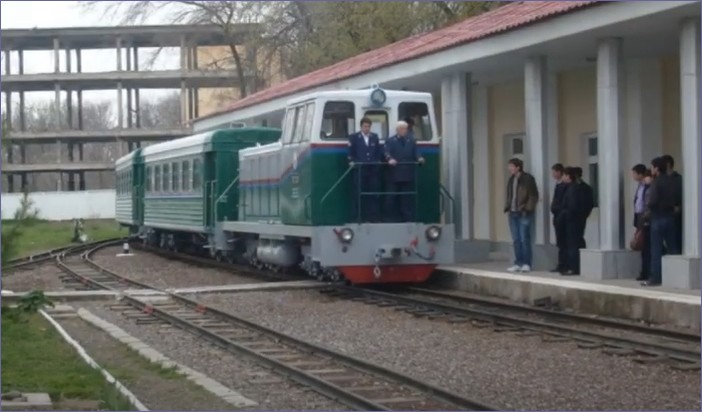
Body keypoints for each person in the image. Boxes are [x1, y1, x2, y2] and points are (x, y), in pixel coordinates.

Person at [644, 157, 678, 287]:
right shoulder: (672, 181)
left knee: (656, 249)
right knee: (673, 248)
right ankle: (675, 275)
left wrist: (648, 208)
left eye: (652, 167)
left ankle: (655, 277)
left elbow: (652, 201)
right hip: (670, 216)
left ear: (657, 169)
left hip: (657, 217)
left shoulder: (656, 182)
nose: (651, 170)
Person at [503, 158, 539, 273]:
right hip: (512, 213)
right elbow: (510, 195)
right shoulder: (511, 179)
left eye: (511, 166)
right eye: (509, 166)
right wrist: (508, 207)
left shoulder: (527, 179)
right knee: (516, 240)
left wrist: (527, 208)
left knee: (524, 238)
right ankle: (518, 263)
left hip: (523, 213)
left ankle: (527, 263)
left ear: (518, 167)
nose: (509, 169)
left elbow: (533, 196)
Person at [384, 121, 425, 222]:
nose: (404, 131)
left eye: (405, 129)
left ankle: (408, 218)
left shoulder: (411, 141)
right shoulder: (390, 141)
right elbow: (386, 152)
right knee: (391, 197)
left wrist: (420, 158)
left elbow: (416, 152)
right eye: (402, 129)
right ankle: (390, 218)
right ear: (397, 130)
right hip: (393, 174)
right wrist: (390, 159)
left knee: (406, 198)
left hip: (407, 174)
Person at [347, 117, 383, 222]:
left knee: (373, 192)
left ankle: (372, 216)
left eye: (368, 126)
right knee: (358, 192)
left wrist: (377, 162)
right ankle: (357, 216)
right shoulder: (354, 137)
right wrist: (352, 161)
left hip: (372, 169)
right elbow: (350, 153)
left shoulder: (374, 137)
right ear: (361, 126)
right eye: (365, 126)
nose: (367, 128)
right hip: (360, 169)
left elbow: (378, 152)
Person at [631, 164, 650, 281]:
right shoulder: (640, 186)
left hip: (645, 217)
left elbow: (645, 203)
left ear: (640, 174)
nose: (633, 176)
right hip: (639, 217)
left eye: (634, 173)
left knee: (646, 245)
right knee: (642, 245)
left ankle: (647, 272)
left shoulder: (647, 185)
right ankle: (644, 271)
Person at [661, 154, 682, 254]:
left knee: (676, 241)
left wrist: (679, 207)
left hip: (676, 215)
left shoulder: (678, 179)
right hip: (664, 214)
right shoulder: (661, 179)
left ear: (668, 164)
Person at [549, 163, 567, 273]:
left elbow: (562, 202)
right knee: (559, 242)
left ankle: (564, 264)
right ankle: (561, 264)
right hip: (557, 217)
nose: (553, 174)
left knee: (563, 242)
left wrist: (556, 209)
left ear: (560, 172)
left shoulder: (564, 186)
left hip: (561, 217)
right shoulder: (558, 185)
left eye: (554, 172)